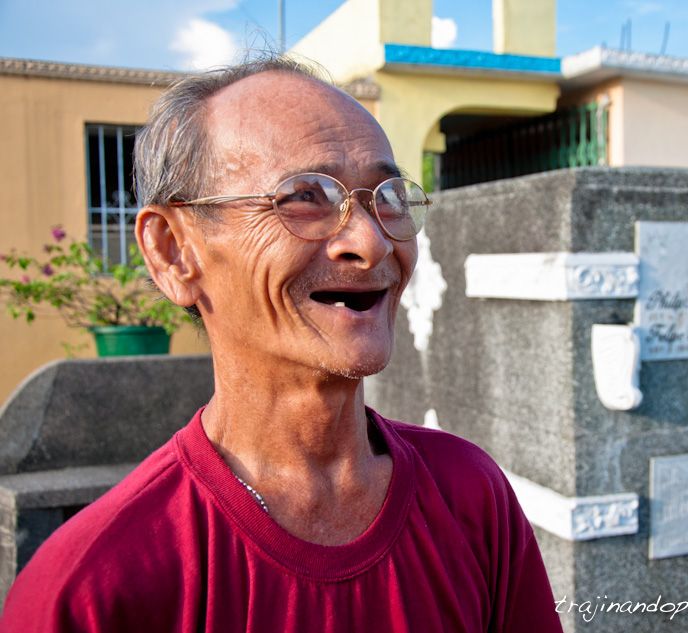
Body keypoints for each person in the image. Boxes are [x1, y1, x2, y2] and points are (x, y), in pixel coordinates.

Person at [0, 56, 563, 632]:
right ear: (173, 250)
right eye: (305, 196)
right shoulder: (92, 589)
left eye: (387, 196)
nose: (370, 241)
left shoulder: (469, 495)